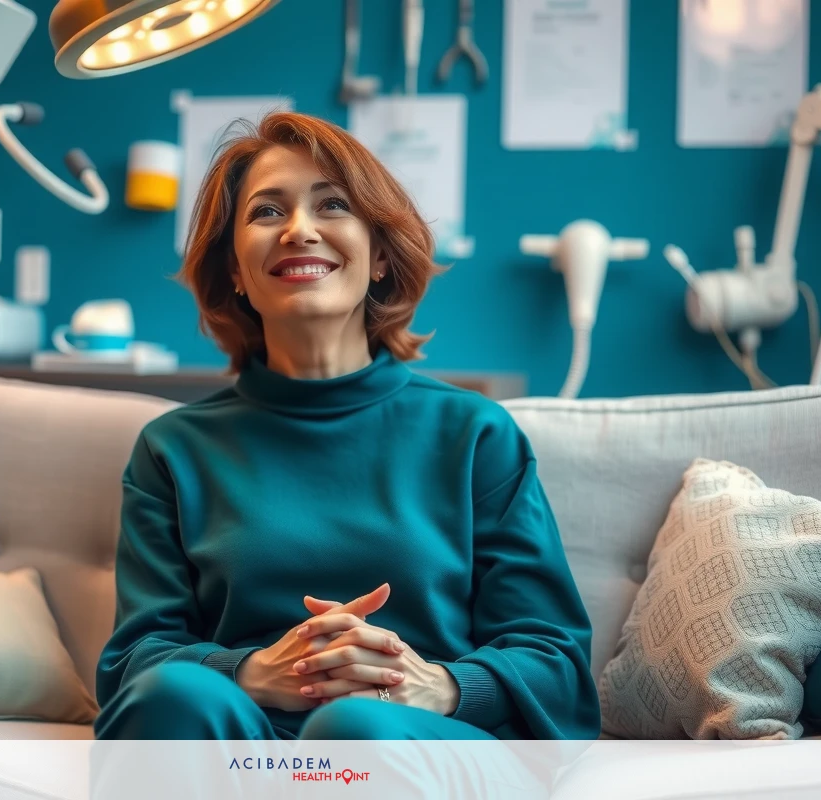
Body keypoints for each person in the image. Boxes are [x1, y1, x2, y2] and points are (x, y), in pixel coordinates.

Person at [91, 111, 601, 741]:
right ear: (234, 272)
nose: (299, 230)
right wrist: (251, 670)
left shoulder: (475, 434)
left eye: (332, 205)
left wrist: (436, 685)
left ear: (380, 255)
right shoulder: (173, 450)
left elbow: (554, 662)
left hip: (409, 736)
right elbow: (133, 664)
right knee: (174, 691)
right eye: (267, 212)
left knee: (356, 726)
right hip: (234, 746)